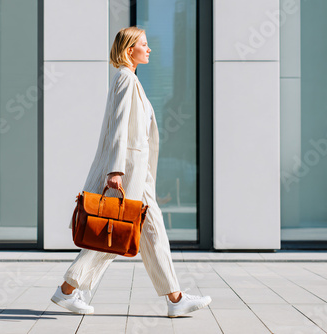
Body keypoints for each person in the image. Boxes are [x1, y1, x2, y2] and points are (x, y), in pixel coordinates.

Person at [50, 26, 212, 318]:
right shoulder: (125, 79)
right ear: (129, 51)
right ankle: (67, 290)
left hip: (139, 174)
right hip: (127, 172)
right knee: (113, 234)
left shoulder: (131, 80)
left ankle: (175, 298)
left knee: (151, 233)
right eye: (144, 45)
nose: (149, 49)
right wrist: (115, 171)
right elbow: (119, 127)